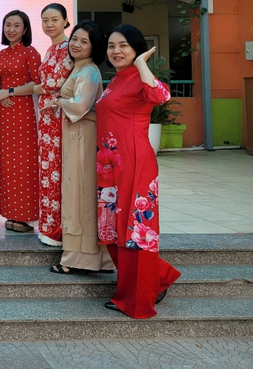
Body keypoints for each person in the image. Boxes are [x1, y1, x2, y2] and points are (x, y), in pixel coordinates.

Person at [96, 24, 180, 319]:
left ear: (136, 48)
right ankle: (158, 277)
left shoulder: (140, 77)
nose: (116, 51)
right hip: (110, 166)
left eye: (123, 46)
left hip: (135, 163)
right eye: (111, 46)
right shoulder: (116, 80)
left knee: (135, 231)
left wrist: (143, 65)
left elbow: (161, 97)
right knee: (113, 231)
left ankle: (138, 298)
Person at [43, 21, 114, 274]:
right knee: (78, 192)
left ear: (94, 47)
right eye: (75, 39)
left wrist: (59, 101)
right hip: (76, 134)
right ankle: (98, 258)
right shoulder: (80, 69)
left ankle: (79, 258)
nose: (76, 44)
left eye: (84, 41)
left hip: (82, 136)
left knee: (80, 194)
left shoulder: (88, 71)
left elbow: (81, 105)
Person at [0, 10, 41, 233]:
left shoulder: (30, 52)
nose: (11, 29)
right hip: (7, 114)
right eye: (8, 25)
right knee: (9, 165)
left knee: (25, 164)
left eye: (16, 25)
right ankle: (12, 214)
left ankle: (27, 216)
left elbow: (37, 84)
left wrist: (10, 92)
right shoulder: (2, 53)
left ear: (25, 29)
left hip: (25, 113)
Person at [34, 3, 74, 246]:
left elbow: (53, 83)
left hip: (59, 115)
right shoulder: (50, 50)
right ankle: (48, 226)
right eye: (45, 20)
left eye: (55, 19)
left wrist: (36, 88)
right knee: (48, 171)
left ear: (65, 21)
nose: (49, 24)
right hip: (47, 117)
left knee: (57, 172)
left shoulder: (69, 47)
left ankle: (58, 229)